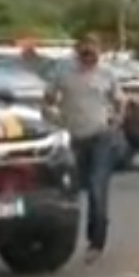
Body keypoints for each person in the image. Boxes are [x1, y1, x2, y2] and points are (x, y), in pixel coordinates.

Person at [45, 35, 123, 263]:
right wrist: (52, 116)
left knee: (98, 190)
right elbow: (48, 100)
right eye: (85, 52)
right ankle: (59, 241)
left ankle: (96, 242)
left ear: (99, 52)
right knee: (70, 191)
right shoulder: (64, 74)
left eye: (93, 52)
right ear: (77, 52)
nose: (89, 57)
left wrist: (117, 120)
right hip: (73, 139)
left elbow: (120, 100)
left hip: (101, 138)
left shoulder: (107, 74)